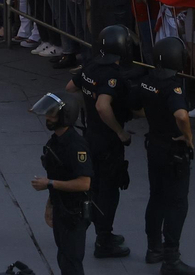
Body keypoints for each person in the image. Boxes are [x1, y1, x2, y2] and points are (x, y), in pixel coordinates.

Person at [69, 24, 138, 258]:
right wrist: (120, 132)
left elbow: (71, 87)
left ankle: (102, 232)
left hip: (90, 135)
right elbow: (102, 105)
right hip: (107, 141)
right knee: (109, 191)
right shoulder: (113, 74)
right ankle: (104, 240)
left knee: (96, 187)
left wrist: (86, 108)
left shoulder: (90, 65)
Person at [137, 36, 195, 273]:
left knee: (156, 198)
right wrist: (188, 136)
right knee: (177, 203)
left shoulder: (147, 81)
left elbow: (136, 105)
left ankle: (154, 248)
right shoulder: (173, 86)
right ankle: (171, 259)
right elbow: (181, 115)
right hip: (174, 151)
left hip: (154, 145)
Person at [31, 91, 93, 275]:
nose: (48, 118)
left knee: (71, 261)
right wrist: (50, 204)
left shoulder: (76, 146)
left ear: (65, 116)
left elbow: (84, 183)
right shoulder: (56, 142)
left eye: (52, 114)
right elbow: (58, 174)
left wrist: (49, 184)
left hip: (74, 212)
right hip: (62, 208)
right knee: (64, 258)